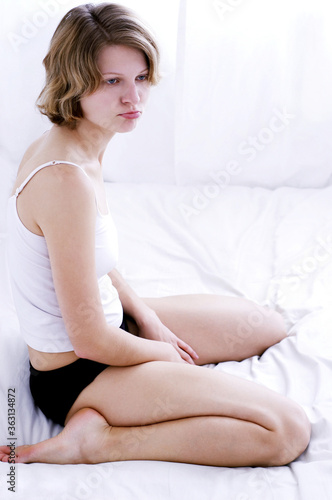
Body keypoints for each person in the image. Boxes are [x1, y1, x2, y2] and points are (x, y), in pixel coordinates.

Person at [0, 3, 310, 467]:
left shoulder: (85, 144)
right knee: (285, 431)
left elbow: (94, 260)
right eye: (113, 82)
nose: (135, 98)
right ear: (73, 81)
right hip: (80, 372)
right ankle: (96, 442)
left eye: (141, 77)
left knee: (265, 325)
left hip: (112, 328)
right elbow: (89, 342)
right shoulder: (64, 180)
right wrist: (160, 355)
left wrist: (146, 316)